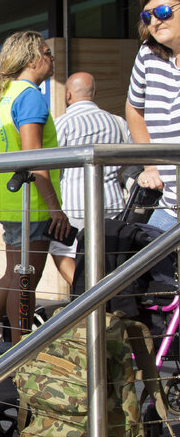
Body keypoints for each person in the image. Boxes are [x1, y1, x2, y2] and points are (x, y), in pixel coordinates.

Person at [0, 31, 72, 363]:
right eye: (48, 51)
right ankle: (22, 352)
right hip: (31, 205)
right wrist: (55, 207)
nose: (52, 57)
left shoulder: (7, 96)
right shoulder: (30, 97)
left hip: (13, 204)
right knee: (25, 279)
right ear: (33, 57)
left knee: (15, 274)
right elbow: (34, 157)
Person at [50, 72, 130, 283]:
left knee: (62, 251)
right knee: (107, 256)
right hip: (113, 203)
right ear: (95, 93)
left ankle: (87, 299)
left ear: (68, 95)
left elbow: (47, 163)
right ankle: (105, 301)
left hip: (74, 205)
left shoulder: (62, 123)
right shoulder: (118, 122)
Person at [127, 0, 180, 233]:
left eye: (162, 10)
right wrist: (150, 164)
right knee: (138, 269)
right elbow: (134, 109)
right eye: (148, 16)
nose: (155, 21)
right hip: (169, 205)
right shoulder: (149, 55)